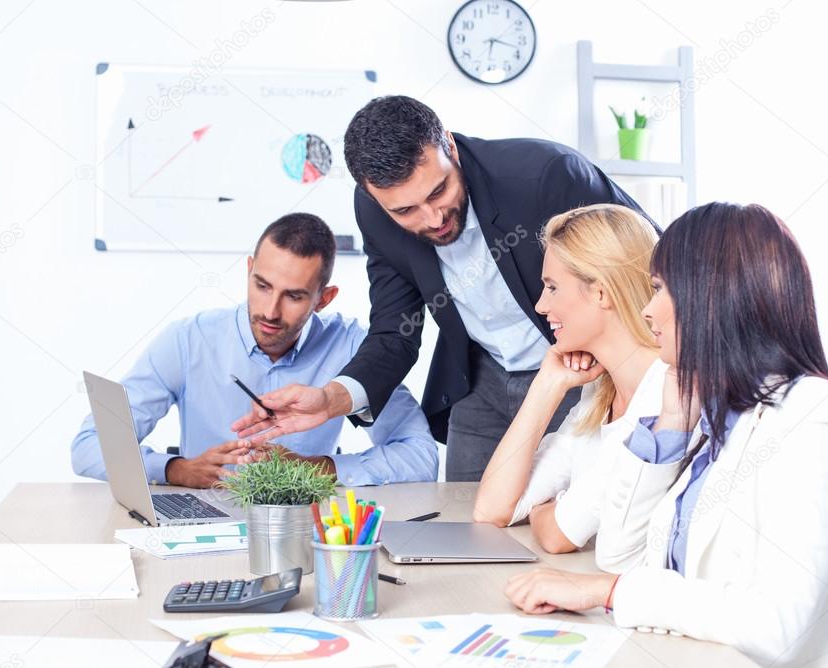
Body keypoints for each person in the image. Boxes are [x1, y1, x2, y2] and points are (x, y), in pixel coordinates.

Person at [503, 203, 828, 667]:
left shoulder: (815, 415)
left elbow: (777, 626)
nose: (646, 310)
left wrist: (610, 593)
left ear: (711, 294)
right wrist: (669, 429)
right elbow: (617, 554)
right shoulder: (710, 410)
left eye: (660, 288)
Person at [231, 95, 655, 481]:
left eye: (439, 191)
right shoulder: (375, 212)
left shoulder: (544, 175)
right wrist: (330, 400)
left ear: (450, 147)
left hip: (579, 373)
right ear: (372, 195)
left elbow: (653, 263)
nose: (432, 218)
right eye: (406, 210)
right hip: (481, 381)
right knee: (465, 522)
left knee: (570, 523)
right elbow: (393, 332)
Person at [71, 213, 438, 488]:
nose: (270, 311)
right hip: (205, 509)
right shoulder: (188, 340)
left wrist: (314, 467)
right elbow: (88, 447)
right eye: (262, 286)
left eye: (293, 296)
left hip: (304, 517)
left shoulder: (354, 349)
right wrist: (176, 470)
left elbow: (421, 456)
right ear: (249, 271)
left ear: (323, 299)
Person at [472, 204, 667, 555]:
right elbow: (492, 510)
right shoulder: (600, 391)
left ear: (601, 292)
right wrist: (546, 386)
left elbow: (559, 536)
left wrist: (551, 510)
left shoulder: (664, 392)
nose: (540, 306)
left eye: (552, 287)